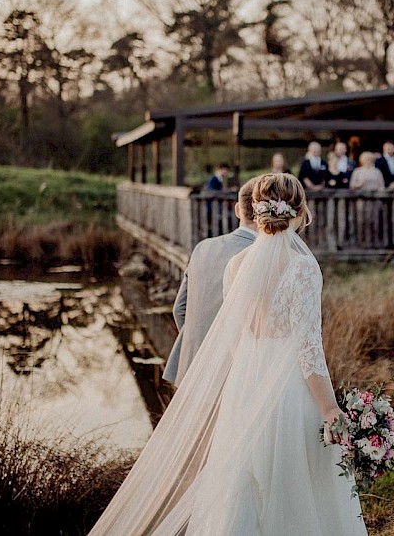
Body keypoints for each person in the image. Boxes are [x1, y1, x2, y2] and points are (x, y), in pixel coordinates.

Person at [90, 174, 366, 536]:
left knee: (243, 486)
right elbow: (309, 349)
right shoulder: (303, 267)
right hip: (288, 391)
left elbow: (235, 340)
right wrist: (330, 410)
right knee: (297, 485)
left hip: (244, 385)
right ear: (299, 212)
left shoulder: (235, 265)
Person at [163, 178, 259, 386]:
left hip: (191, 368)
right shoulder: (261, 256)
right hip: (235, 375)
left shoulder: (202, 248)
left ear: (237, 210)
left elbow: (179, 309)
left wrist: (201, 348)